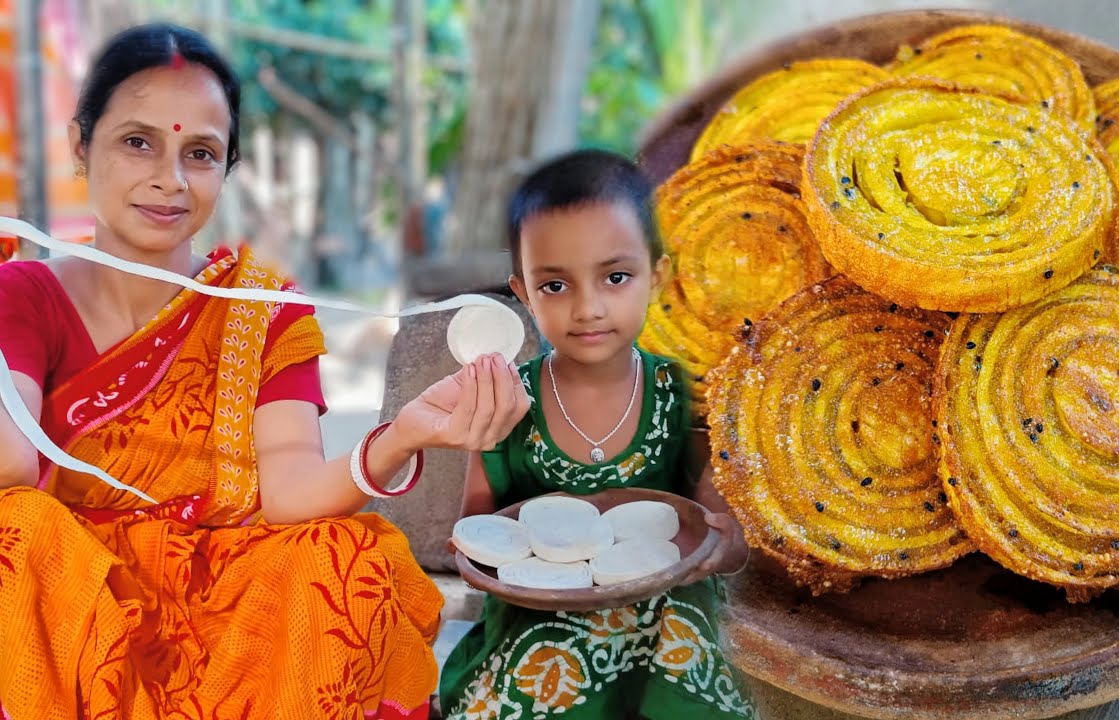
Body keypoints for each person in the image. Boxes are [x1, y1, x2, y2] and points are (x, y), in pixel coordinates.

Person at [0, 23, 528, 719]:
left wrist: (403, 435)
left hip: (229, 599)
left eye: (201, 153)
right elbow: (10, 469)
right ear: (79, 145)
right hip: (75, 601)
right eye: (138, 142)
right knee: (17, 526)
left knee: (345, 555)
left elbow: (287, 491)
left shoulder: (262, 309)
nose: (171, 178)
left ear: (227, 169)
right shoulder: (23, 294)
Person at [438, 149, 758, 720]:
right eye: (555, 286)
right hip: (540, 614)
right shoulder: (509, 400)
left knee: (692, 643)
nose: (587, 308)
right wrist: (473, 552)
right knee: (559, 656)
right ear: (523, 291)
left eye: (615, 277)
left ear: (656, 275)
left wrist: (724, 545)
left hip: (665, 612)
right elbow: (481, 532)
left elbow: (721, 535)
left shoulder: (680, 391)